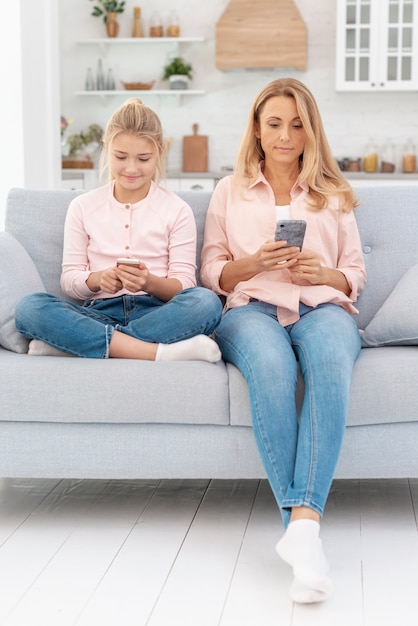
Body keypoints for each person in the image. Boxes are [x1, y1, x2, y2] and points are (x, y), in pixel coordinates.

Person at [200, 78, 366, 603]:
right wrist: (252, 264)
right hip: (251, 309)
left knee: (332, 362)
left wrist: (325, 273)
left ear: (311, 129)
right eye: (274, 123)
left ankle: (302, 530)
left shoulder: (332, 193)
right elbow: (211, 273)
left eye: (297, 124)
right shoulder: (228, 190)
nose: (286, 135)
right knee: (271, 370)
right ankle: (306, 531)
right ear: (256, 127)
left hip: (320, 307)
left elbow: (355, 274)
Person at [15, 98, 222, 362]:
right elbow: (70, 281)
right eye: (121, 156)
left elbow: (185, 286)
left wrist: (149, 282)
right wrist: (98, 279)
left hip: (157, 313)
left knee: (206, 302)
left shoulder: (177, 209)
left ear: (159, 152)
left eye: (143, 158)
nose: (132, 168)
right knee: (29, 308)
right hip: (97, 312)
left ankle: (81, 342)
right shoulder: (82, 206)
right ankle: (154, 351)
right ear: (107, 149)